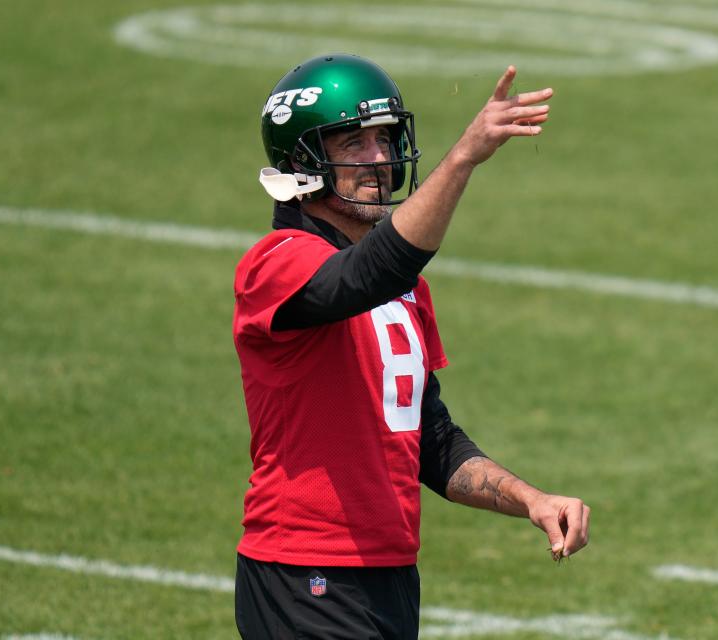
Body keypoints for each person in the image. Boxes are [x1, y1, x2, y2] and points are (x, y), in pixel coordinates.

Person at [232, 53, 590, 640]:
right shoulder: (276, 263)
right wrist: (464, 157)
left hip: (388, 573)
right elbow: (363, 276)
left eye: (385, 138)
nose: (379, 160)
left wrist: (531, 499)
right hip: (306, 572)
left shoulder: (405, 289)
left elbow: (431, 438)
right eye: (354, 143)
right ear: (302, 160)